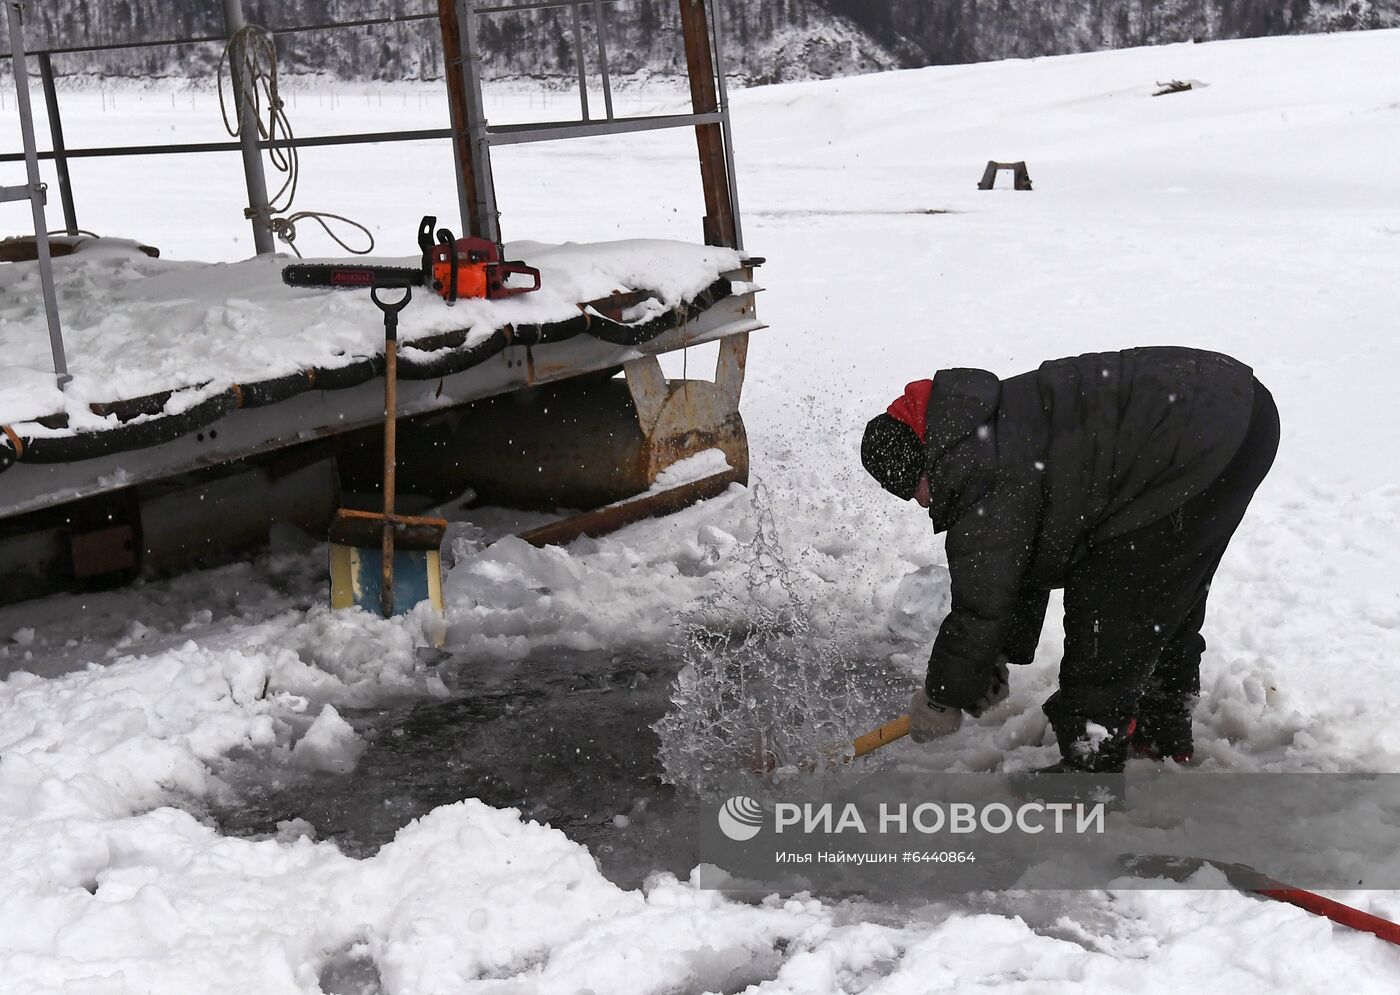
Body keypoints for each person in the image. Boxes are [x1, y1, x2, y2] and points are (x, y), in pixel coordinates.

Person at [860, 347, 1279, 772]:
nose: (920, 502)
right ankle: (1161, 732)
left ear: (923, 464)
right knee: (1167, 590)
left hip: (1190, 435)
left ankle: (1088, 770)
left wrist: (943, 697)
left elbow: (981, 604)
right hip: (1239, 411)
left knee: (1109, 600)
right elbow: (1022, 564)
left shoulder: (977, 468)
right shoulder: (985, 422)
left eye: (913, 489)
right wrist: (995, 658)